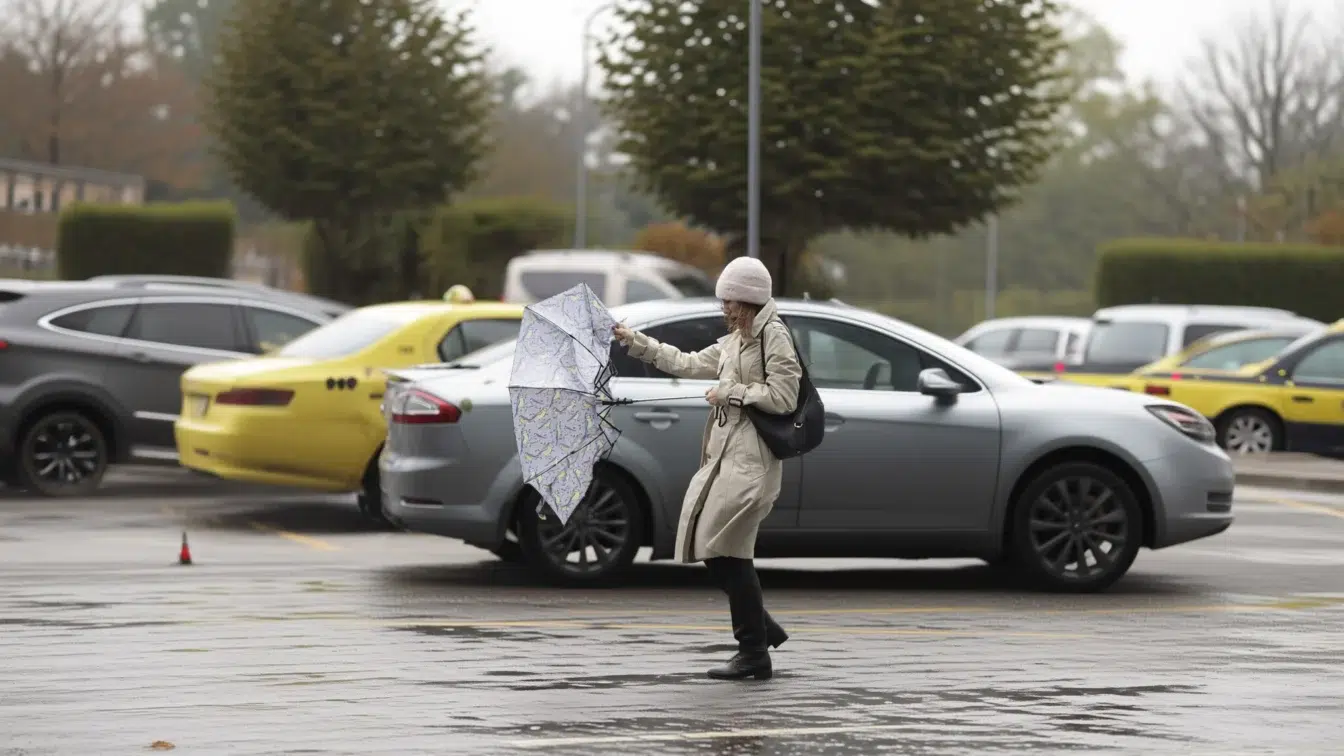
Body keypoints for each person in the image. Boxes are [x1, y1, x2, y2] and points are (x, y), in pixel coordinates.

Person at [612, 256, 802, 681]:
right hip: (726, 457)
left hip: (752, 463)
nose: (723, 308)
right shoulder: (737, 338)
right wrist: (634, 341)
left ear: (747, 299)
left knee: (726, 552)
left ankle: (754, 650)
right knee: (717, 550)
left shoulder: (773, 336)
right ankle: (760, 631)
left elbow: (784, 398)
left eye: (728, 300)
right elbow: (686, 362)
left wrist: (730, 393)